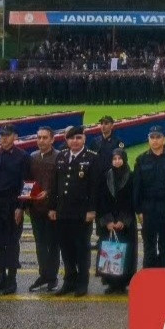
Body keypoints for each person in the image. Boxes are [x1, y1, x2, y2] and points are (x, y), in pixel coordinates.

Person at [49, 125, 102, 296]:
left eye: (79, 137)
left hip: (82, 212)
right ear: (66, 140)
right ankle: (69, 281)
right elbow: (55, 185)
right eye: (72, 138)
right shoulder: (62, 156)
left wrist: (92, 210)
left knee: (82, 248)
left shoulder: (92, 158)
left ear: (84, 139)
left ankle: (82, 283)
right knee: (66, 248)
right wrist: (52, 207)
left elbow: (95, 187)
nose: (75, 141)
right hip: (63, 211)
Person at [0, 123, 30, 295]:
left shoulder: (22, 157)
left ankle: (11, 279)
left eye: (7, 135)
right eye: (1, 135)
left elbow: (26, 183)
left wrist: (21, 207)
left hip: (12, 204)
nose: (4, 138)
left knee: (11, 242)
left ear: (15, 137)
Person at [132, 125, 165, 269]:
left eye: (158, 137)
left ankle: (164, 276)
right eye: (152, 137)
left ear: (164, 139)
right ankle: (149, 276)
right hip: (148, 208)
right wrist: (138, 210)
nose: (155, 140)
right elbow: (137, 187)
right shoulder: (141, 159)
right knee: (149, 246)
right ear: (148, 139)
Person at [96, 148, 137, 294]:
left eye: (119, 159)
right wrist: (108, 221)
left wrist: (122, 220)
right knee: (109, 252)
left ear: (124, 160)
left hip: (125, 223)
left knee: (126, 253)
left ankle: (122, 283)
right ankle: (111, 283)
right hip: (109, 223)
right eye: (114, 159)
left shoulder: (131, 177)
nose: (117, 161)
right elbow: (100, 200)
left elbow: (133, 200)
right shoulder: (105, 177)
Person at [26, 126, 59, 292]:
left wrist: (49, 193)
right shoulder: (32, 157)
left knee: (52, 244)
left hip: (52, 209)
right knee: (40, 244)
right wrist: (26, 203)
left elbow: (61, 183)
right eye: (39, 137)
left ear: (52, 139)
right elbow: (27, 181)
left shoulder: (59, 157)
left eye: (45, 137)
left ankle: (52, 277)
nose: (41, 141)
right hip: (35, 208)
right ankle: (43, 275)